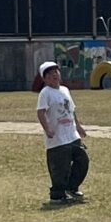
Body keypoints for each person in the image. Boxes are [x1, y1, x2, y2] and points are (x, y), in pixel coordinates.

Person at [36, 60, 89, 204]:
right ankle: (57, 195)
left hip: (72, 134)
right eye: (49, 74)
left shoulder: (65, 90)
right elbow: (40, 112)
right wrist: (47, 129)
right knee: (60, 167)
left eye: (55, 72)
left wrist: (78, 126)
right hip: (57, 138)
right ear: (45, 79)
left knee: (82, 160)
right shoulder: (45, 93)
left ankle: (72, 187)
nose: (54, 75)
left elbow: (72, 110)